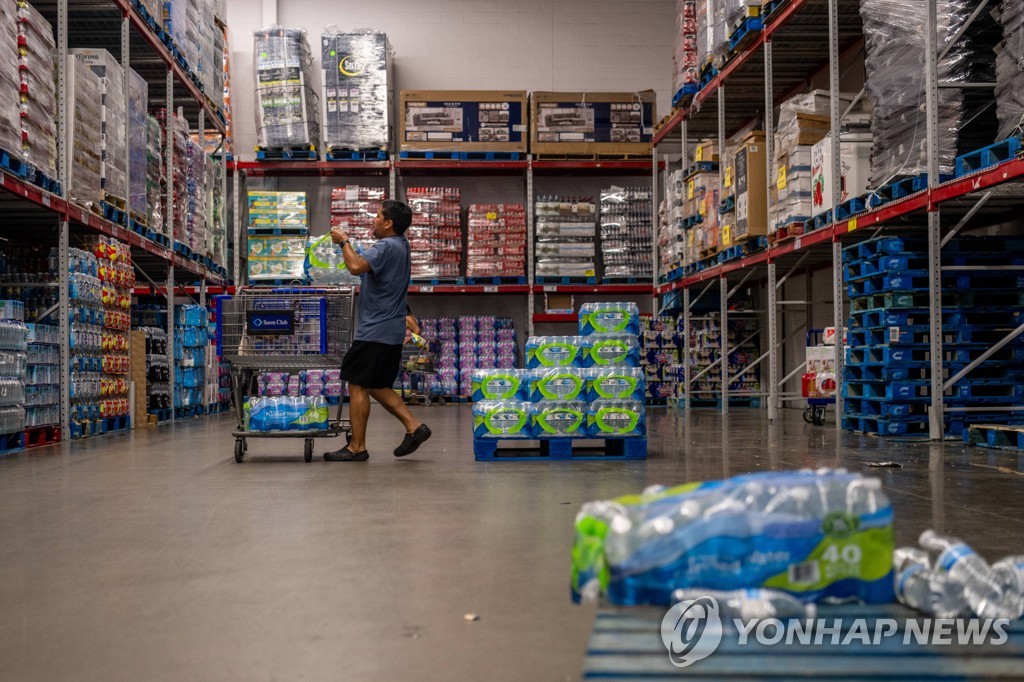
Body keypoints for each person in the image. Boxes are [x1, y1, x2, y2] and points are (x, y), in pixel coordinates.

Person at [322, 200, 431, 462]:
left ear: (388, 222)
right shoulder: (402, 246)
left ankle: (356, 447)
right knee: (376, 384)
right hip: (390, 329)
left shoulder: (385, 246)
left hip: (375, 330)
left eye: (377, 216)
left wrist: (343, 242)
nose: (373, 219)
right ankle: (414, 427)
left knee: (358, 382)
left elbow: (356, 267)